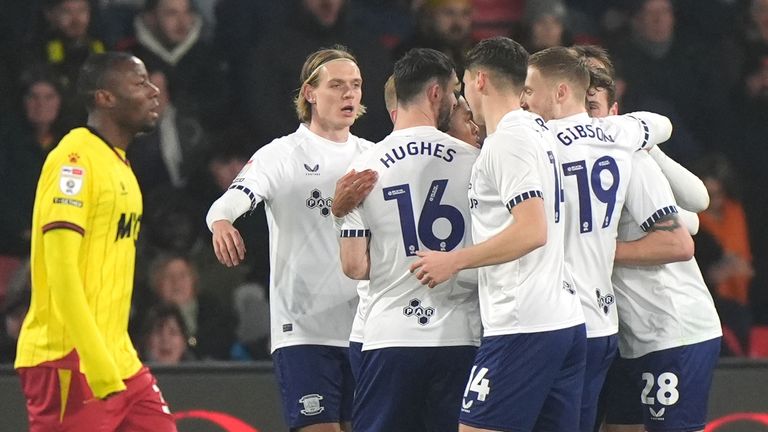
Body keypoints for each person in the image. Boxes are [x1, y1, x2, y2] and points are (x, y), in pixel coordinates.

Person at [411, 36, 586, 432]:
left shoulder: (507, 142)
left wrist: (454, 261)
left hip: (522, 323)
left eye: (464, 85)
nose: (463, 97)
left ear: (480, 80)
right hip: (561, 320)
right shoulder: (540, 132)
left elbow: (532, 230)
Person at [206, 46, 376, 432]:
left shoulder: (373, 157)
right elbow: (231, 199)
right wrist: (222, 222)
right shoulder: (282, 154)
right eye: (337, 85)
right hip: (304, 330)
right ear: (309, 93)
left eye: (355, 85)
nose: (349, 94)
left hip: (365, 329)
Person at [14, 52, 176, 431]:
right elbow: (61, 271)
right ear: (105, 98)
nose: (153, 91)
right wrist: (95, 361)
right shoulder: (74, 161)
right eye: (139, 83)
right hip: (68, 358)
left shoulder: (118, 163)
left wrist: (110, 357)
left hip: (119, 357)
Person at [519, 46, 673, 432]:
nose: (524, 100)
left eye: (531, 90)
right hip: (603, 321)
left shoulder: (535, 138)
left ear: (560, 91)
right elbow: (662, 124)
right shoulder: (617, 134)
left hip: (554, 319)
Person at [579, 51, 722, 432]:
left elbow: (683, 233)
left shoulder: (627, 157)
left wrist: (598, 251)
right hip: (628, 335)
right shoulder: (570, 161)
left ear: (614, 112)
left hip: (671, 328)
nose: (585, 119)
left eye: (593, 107)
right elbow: (691, 216)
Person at [338, 47, 480, 432]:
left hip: (389, 336)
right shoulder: (475, 161)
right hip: (460, 335)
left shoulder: (362, 168)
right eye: (453, 91)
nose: (456, 100)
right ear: (435, 93)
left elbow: (354, 266)